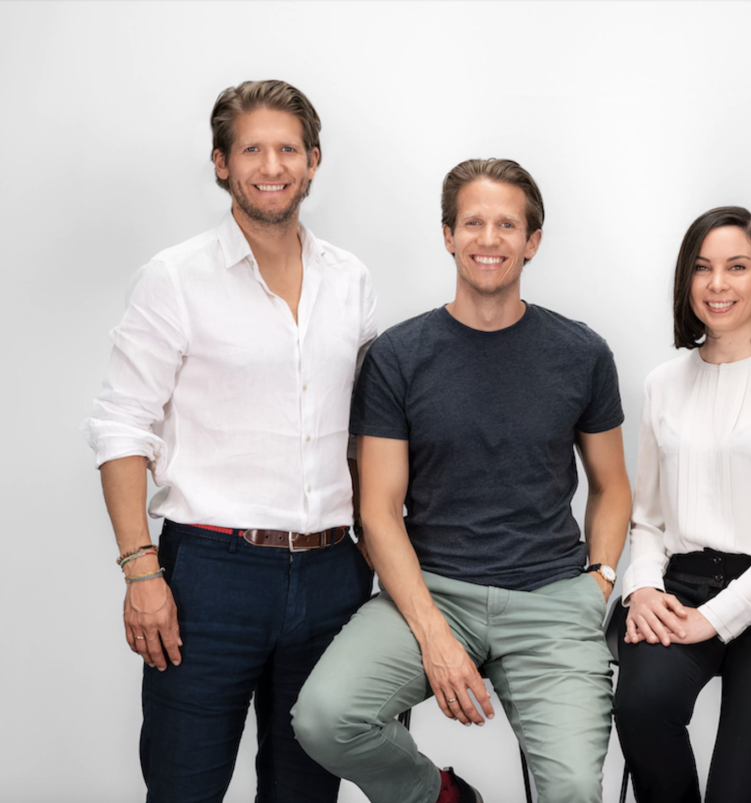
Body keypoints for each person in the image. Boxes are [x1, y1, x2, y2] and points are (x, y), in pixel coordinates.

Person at [292, 158, 631, 803]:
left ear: (532, 241)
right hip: (433, 591)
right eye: (473, 222)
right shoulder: (399, 356)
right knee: (325, 718)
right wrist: (432, 633)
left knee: (574, 790)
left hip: (553, 599)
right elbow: (379, 512)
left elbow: (612, 485)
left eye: (507, 224)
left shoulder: (581, 353)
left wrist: (601, 582)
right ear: (448, 235)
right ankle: (441, 797)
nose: (488, 238)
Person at [82, 80, 377, 802]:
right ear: (221, 163)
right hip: (211, 575)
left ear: (313, 161)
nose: (271, 166)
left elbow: (369, 429)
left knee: (306, 789)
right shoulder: (174, 279)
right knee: (185, 786)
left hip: (335, 570)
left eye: (288, 149)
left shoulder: (351, 280)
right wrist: (140, 571)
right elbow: (122, 425)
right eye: (251, 150)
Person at [613, 207, 751, 803]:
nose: (717, 284)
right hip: (679, 589)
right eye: (702, 268)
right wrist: (643, 588)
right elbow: (649, 517)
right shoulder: (663, 383)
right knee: (641, 708)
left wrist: (717, 617)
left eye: (737, 267)